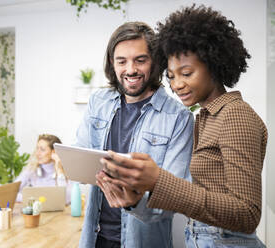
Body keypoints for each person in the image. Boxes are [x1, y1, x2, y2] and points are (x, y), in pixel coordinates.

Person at [98, 5, 267, 248]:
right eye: (172, 75)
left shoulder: (235, 115)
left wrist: (158, 180)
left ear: (214, 64)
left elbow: (247, 214)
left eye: (187, 73)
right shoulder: (206, 117)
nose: (177, 84)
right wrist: (137, 197)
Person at [76, 21, 194, 248]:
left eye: (140, 60)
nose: (130, 69)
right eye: (122, 61)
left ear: (155, 62)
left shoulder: (179, 118)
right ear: (113, 63)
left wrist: (135, 201)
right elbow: (81, 155)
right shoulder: (98, 102)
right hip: (95, 238)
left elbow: (176, 195)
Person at [14, 134, 70, 203]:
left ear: (54, 152)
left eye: (42, 150)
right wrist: (35, 199)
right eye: (37, 148)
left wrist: (59, 170)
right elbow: (11, 193)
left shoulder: (65, 171)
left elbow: (66, 200)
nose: (37, 153)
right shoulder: (32, 169)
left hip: (57, 213)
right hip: (37, 212)